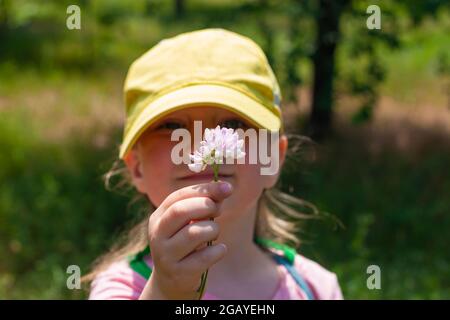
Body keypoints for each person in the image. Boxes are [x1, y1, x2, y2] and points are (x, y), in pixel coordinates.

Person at [83, 28, 343, 300]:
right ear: (137, 166)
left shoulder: (316, 288)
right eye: (172, 126)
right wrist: (164, 292)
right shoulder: (121, 288)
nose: (199, 144)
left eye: (233, 124)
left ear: (273, 158)